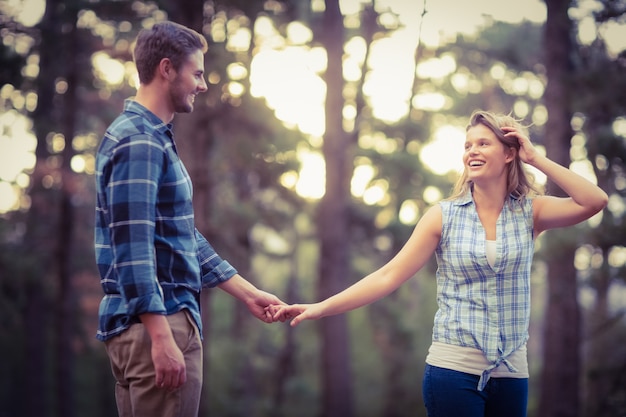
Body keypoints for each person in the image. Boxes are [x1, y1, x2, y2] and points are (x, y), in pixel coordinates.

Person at [270, 110, 608, 417]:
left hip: (511, 373)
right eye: (468, 145)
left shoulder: (530, 212)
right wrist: (319, 308)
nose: (472, 151)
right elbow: (388, 276)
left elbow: (595, 201)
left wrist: (535, 157)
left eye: (483, 143)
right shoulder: (442, 217)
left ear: (509, 154)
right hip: (453, 371)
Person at [95, 21, 285, 417]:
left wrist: (248, 293)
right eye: (197, 73)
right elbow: (132, 247)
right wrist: (161, 335)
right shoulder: (141, 141)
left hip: (145, 325)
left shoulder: (146, 136)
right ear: (167, 69)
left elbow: (179, 233)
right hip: (158, 325)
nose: (202, 85)